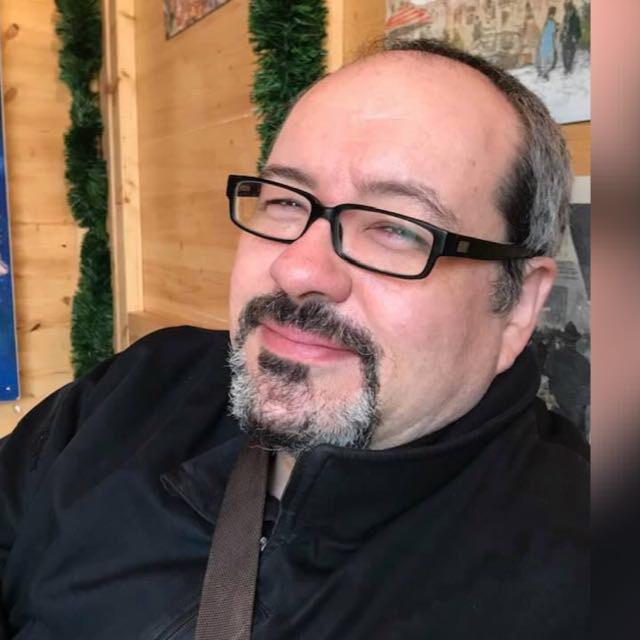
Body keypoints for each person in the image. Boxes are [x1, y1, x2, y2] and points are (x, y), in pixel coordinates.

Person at [0, 38, 588, 639]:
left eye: (396, 228)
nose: (298, 268)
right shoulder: (135, 390)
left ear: (518, 305)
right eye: (284, 200)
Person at [536, 6, 558, 79]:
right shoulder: (548, 21)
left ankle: (544, 72)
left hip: (549, 41)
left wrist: (556, 30)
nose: (552, 15)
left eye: (553, 14)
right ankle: (544, 73)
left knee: (549, 58)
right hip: (546, 40)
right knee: (545, 57)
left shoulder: (552, 21)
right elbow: (545, 31)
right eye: (551, 14)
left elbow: (553, 33)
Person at [561, 0, 582, 74]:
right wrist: (561, 36)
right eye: (567, 10)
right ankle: (566, 68)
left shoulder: (576, 18)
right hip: (565, 37)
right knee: (564, 53)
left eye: (569, 10)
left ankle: (569, 68)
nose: (568, 12)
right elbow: (563, 27)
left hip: (572, 38)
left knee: (571, 54)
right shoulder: (565, 16)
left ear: (572, 10)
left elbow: (578, 29)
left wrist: (576, 38)